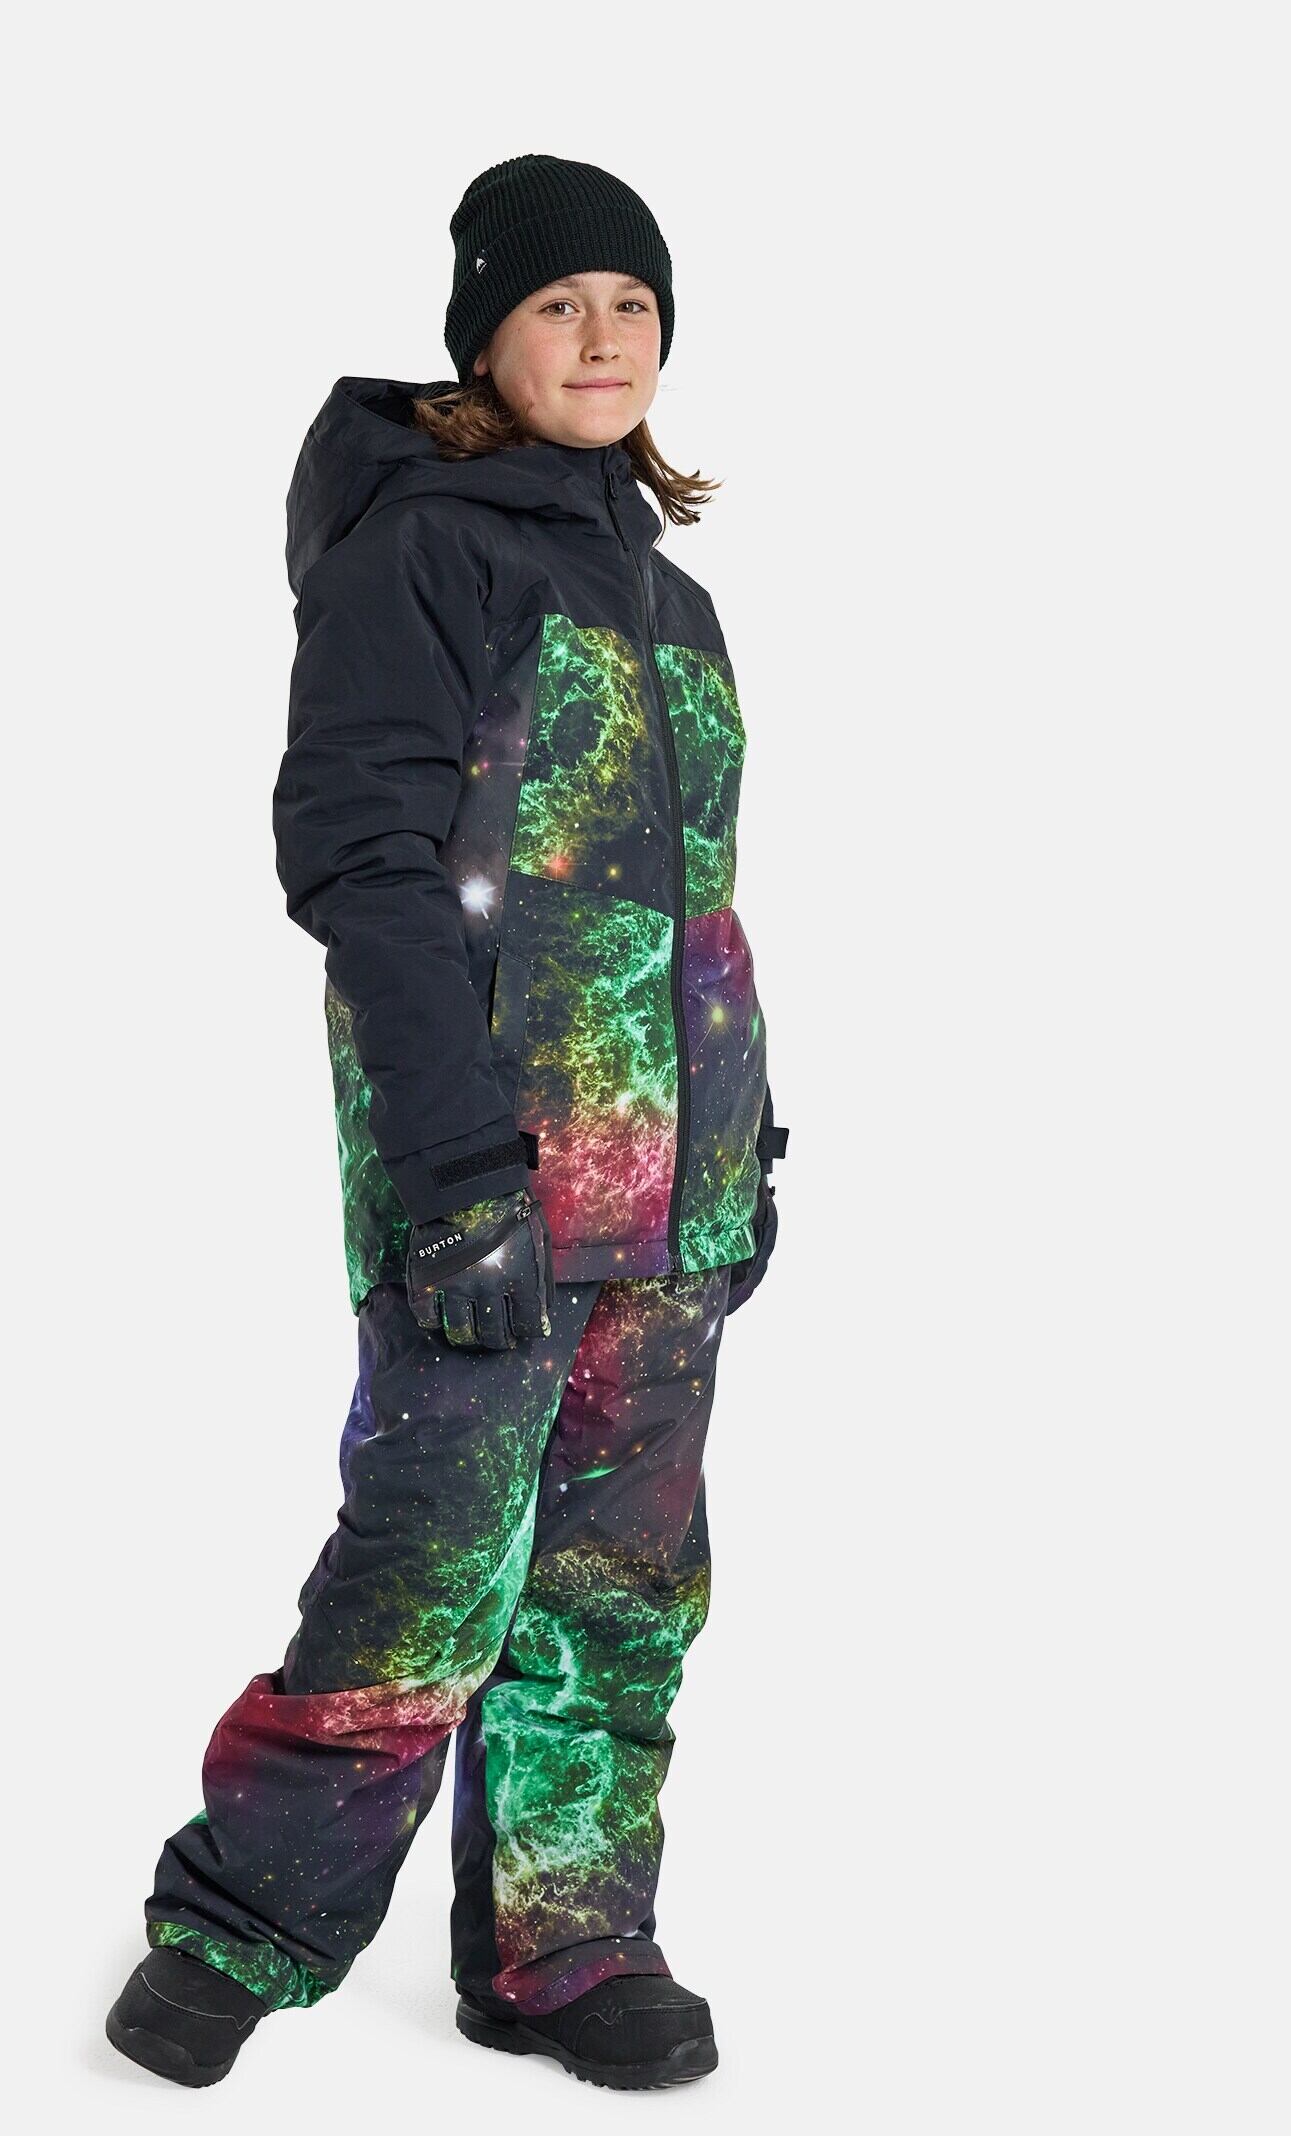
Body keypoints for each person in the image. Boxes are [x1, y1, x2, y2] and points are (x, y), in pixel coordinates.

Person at [105, 152, 789, 2094]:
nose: (602, 337)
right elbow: (361, 856)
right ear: (485, 336)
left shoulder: (674, 600)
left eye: (632, 305)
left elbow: (694, 906)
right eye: (558, 303)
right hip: (484, 1168)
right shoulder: (422, 552)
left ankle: (567, 1951)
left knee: (620, 1588)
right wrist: (454, 1164)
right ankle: (241, 1926)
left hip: (674, 1199)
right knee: (431, 1567)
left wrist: (751, 1146)